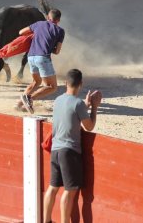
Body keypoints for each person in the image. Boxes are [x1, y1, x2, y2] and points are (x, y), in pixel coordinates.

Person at [43, 69, 102, 223]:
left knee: (53, 187)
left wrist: (86, 105)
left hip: (55, 150)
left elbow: (71, 114)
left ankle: (46, 220)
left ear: (66, 83)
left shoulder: (58, 100)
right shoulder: (78, 104)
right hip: (69, 152)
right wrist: (94, 107)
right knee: (70, 191)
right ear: (80, 84)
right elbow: (89, 127)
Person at [16, 9, 65, 114]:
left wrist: (34, 36)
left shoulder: (38, 24)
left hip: (31, 57)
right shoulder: (60, 31)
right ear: (59, 20)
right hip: (43, 58)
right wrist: (49, 46)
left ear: (48, 17)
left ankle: (19, 104)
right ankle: (29, 98)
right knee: (52, 87)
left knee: (36, 82)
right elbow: (57, 51)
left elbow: (20, 32)